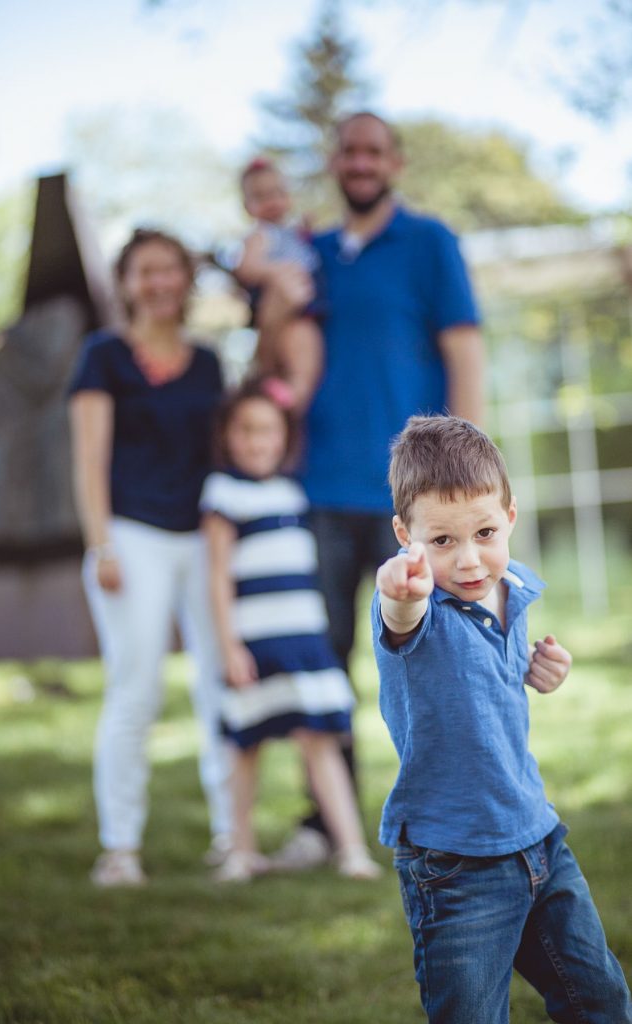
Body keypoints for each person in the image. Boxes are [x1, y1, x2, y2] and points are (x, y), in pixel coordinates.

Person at [275, 109, 486, 870]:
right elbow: (275, 350)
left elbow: (463, 353)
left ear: (393, 160)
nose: (359, 162)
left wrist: (468, 480)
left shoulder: (430, 243)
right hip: (321, 490)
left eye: (372, 150)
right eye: (347, 151)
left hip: (413, 495)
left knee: (436, 661)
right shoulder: (310, 253)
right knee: (324, 661)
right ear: (332, 162)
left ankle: (452, 816)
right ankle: (324, 822)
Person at [372, 414, 632, 1024]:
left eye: (485, 532)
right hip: (456, 862)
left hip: (538, 837)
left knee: (600, 1000)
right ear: (404, 534)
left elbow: (491, 676)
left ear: (510, 515)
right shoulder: (418, 605)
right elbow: (400, 620)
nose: (468, 560)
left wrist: (544, 668)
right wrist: (398, 592)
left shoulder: (510, 587)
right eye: (440, 541)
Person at [68, 227, 232, 887]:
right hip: (130, 536)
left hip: (201, 538)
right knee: (135, 688)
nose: (159, 282)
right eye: (145, 271)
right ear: (126, 282)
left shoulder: (209, 363)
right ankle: (120, 848)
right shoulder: (102, 356)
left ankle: (232, 836)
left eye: (171, 270)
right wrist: (100, 543)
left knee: (219, 684)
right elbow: (88, 458)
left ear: (186, 281)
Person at [200, 375, 381, 883]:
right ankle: (240, 851)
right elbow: (215, 576)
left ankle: (350, 850)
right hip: (254, 643)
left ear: (285, 436)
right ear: (228, 435)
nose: (258, 442)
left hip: (304, 642)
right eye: (247, 430)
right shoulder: (222, 494)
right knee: (246, 748)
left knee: (321, 743)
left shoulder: (296, 491)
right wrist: (228, 645)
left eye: (268, 430)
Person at [235, 158, 322, 412]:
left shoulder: (290, 233)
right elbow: (245, 268)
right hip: (288, 314)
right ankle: (290, 397)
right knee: (303, 355)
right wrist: (276, 271)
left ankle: (290, 395)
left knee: (307, 356)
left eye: (277, 193)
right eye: (260, 197)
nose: (271, 202)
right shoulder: (260, 235)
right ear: (247, 206)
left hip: (303, 310)